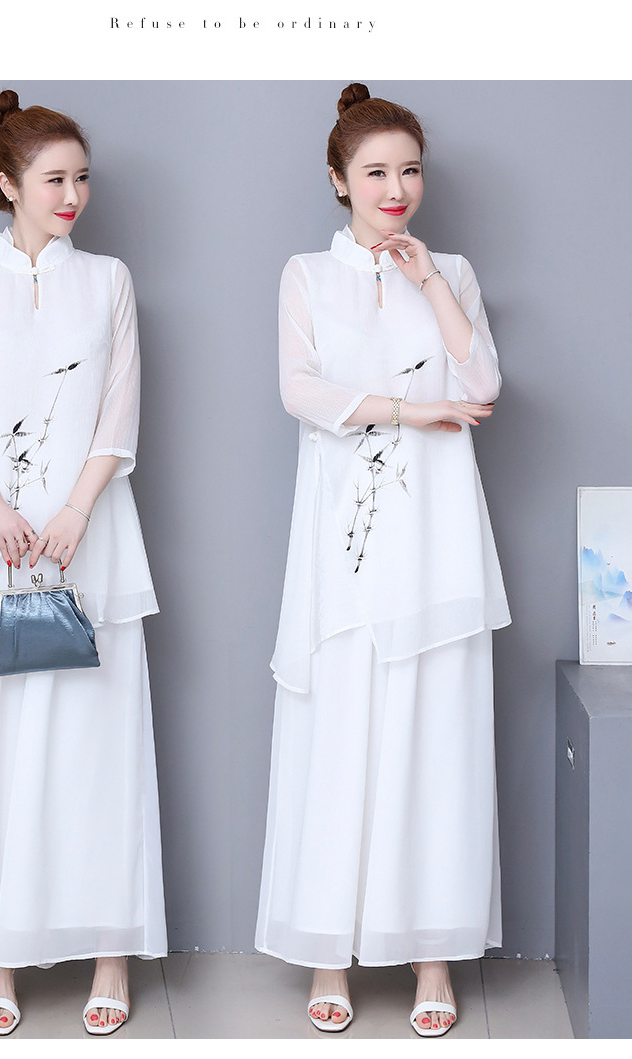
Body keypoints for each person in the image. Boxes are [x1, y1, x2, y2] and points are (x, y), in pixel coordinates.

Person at [255, 83, 510, 1037]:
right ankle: (332, 945)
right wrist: (414, 409)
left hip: (437, 535)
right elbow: (300, 390)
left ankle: (431, 952)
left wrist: (429, 281)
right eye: (375, 172)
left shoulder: (454, 271)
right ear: (338, 180)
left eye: (409, 170)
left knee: (434, 733)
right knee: (342, 729)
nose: (396, 188)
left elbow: (482, 381)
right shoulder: (305, 275)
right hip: (345, 541)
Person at [0, 90, 166, 1036]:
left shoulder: (107, 279)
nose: (72, 196)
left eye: (81, 178)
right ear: (8, 184)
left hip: (89, 528)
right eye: (53, 180)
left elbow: (119, 408)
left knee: (96, 737)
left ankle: (110, 948)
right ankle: (0, 951)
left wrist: (74, 509)